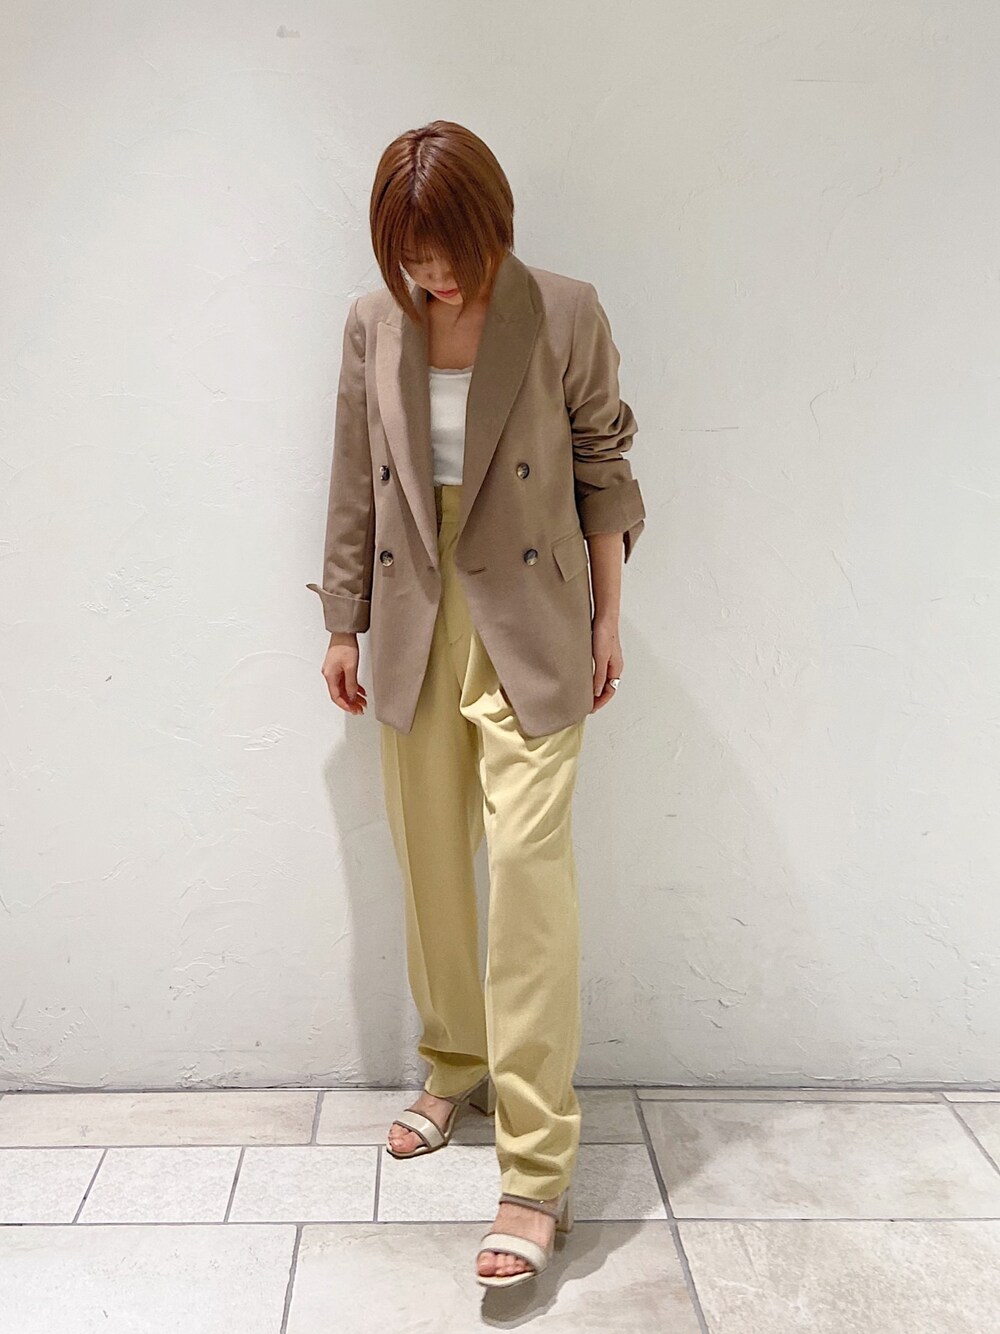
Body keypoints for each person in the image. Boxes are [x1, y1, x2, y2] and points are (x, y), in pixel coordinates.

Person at [306, 120, 645, 1288]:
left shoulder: (564, 310)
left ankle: (536, 1168)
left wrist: (608, 618)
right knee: (432, 866)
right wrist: (341, 621)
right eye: (408, 253)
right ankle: (452, 1061)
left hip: (532, 618)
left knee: (530, 883)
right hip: (413, 612)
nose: (431, 274)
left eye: (446, 248)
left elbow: (603, 467)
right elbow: (353, 478)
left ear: (490, 221)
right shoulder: (374, 321)